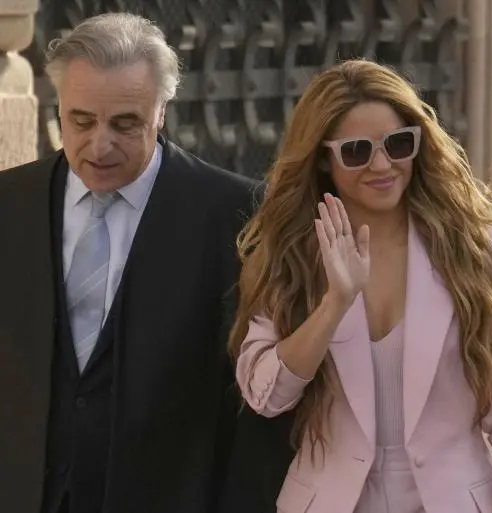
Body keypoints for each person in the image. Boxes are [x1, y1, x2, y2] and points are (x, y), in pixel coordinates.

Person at [0, 13, 292, 513]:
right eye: (81, 121)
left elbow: (253, 401)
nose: (100, 145)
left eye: (125, 123)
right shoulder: (10, 204)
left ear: (161, 112)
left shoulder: (236, 215)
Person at [230, 59, 492, 513]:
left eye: (398, 144)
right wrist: (334, 304)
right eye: (356, 151)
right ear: (323, 159)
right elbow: (266, 396)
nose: (382, 164)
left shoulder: (483, 254)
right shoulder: (294, 256)